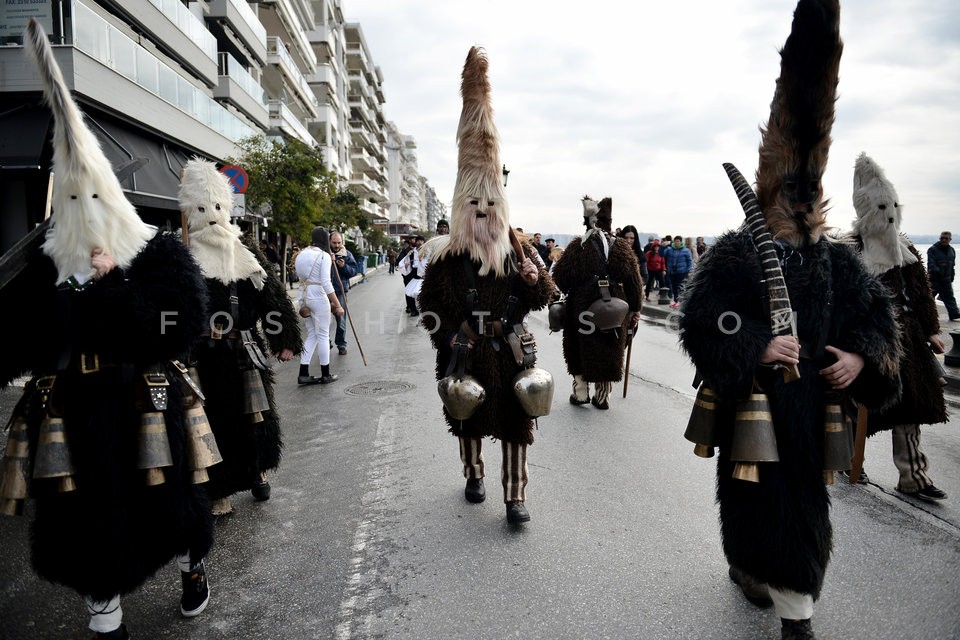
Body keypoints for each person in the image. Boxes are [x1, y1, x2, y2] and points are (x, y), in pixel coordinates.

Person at [678, 3, 902, 639]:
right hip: (754, 411)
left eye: (810, 191)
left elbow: (876, 321)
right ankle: (753, 569)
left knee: (803, 514)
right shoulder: (736, 251)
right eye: (791, 191)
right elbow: (702, 319)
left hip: (811, 421)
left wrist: (862, 358)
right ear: (772, 189)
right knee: (750, 504)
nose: (802, 202)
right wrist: (754, 344)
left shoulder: (838, 262)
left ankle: (795, 610)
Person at [0, 21, 216, 638]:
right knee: (84, 519)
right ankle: (104, 605)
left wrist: (117, 286)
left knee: (172, 503)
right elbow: (18, 341)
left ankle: (193, 565)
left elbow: (180, 324)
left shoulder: (155, 250)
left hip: (144, 397)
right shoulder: (43, 266)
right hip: (70, 407)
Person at [419, 46, 553, 525]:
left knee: (519, 425)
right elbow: (428, 305)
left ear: (501, 207)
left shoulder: (517, 251)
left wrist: (537, 280)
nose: (482, 210)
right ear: (461, 207)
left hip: (513, 350)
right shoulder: (448, 257)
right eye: (472, 202)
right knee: (467, 418)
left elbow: (545, 296)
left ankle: (515, 497)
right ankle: (473, 474)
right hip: (467, 351)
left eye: (489, 203)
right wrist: (451, 334)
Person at [179, 158, 303, 516]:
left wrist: (284, 339)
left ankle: (258, 472)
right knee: (213, 423)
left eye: (218, 206)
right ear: (192, 211)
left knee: (258, 418)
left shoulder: (246, 251)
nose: (214, 215)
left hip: (245, 348)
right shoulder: (185, 255)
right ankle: (218, 489)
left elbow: (273, 297)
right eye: (204, 208)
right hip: (204, 356)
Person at [846, 152, 948, 500]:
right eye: (880, 208)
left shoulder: (905, 250)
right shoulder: (851, 250)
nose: (889, 214)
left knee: (911, 407)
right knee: (854, 406)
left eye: (892, 206)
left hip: (908, 341)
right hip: (867, 342)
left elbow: (921, 292)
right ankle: (846, 458)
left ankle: (913, 476)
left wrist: (932, 329)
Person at [553, 197, 643, 410]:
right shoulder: (622, 247)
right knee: (611, 346)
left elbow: (561, 278)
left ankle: (581, 391)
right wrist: (635, 308)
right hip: (616, 304)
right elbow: (634, 281)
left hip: (582, 305)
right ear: (610, 222)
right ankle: (603, 395)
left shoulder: (578, 246)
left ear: (587, 221)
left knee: (577, 344)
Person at [295, 227, 344, 385]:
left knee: (312, 335)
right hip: (317, 295)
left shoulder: (301, 254)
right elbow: (326, 283)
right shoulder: (323, 256)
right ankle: (325, 374)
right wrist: (338, 305)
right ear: (325, 240)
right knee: (323, 335)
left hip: (303, 294)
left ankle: (303, 373)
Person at [329, 231, 358, 355]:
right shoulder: (324, 254)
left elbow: (354, 271)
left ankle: (341, 344)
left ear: (342, 242)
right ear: (329, 242)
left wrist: (344, 266)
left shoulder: (347, 255)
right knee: (322, 320)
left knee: (340, 318)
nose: (336, 245)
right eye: (334, 242)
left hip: (339, 291)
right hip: (324, 292)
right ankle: (326, 341)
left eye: (339, 243)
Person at [927, 231, 959, 321]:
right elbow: (931, 264)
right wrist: (938, 272)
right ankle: (927, 316)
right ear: (939, 238)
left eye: (946, 238)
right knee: (929, 298)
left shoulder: (952, 251)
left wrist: (952, 277)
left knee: (949, 297)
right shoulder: (932, 249)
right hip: (934, 279)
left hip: (946, 280)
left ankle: (954, 313)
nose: (944, 240)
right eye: (942, 238)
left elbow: (952, 265)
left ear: (950, 239)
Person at [664, 235, 692, 308]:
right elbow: (662, 254)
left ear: (681, 242)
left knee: (680, 287)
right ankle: (675, 301)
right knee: (674, 287)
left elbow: (689, 261)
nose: (677, 243)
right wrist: (663, 246)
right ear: (674, 241)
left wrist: (690, 270)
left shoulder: (686, 250)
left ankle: (680, 301)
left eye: (678, 241)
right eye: (676, 241)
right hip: (672, 271)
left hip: (682, 271)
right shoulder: (669, 249)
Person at [618, 225, 648, 291]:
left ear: (635, 239)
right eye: (626, 238)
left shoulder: (640, 255)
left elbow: (645, 277)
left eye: (632, 238)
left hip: (634, 291)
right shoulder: (615, 254)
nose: (628, 241)